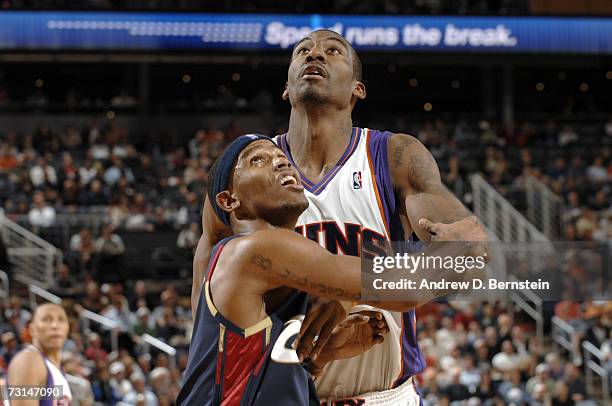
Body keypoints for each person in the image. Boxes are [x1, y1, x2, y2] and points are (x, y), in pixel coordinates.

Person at [193, 30, 487, 404]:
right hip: (287, 394)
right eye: (303, 51)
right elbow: (208, 312)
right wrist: (349, 294)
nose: (315, 55)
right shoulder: (244, 178)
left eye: (333, 51)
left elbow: (469, 262)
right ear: (286, 87)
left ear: (357, 90)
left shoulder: (393, 157)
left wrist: (466, 247)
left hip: (382, 394)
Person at [179, 135, 486, 405]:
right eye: (258, 160)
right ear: (229, 200)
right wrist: (461, 246)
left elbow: (246, 376)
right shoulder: (253, 249)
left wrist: (318, 361)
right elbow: (406, 288)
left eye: (282, 158)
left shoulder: (257, 272)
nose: (281, 164)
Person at [6, 302, 73, 405]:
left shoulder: (56, 369)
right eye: (46, 319)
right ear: (32, 329)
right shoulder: (28, 360)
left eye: (61, 319)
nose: (55, 325)